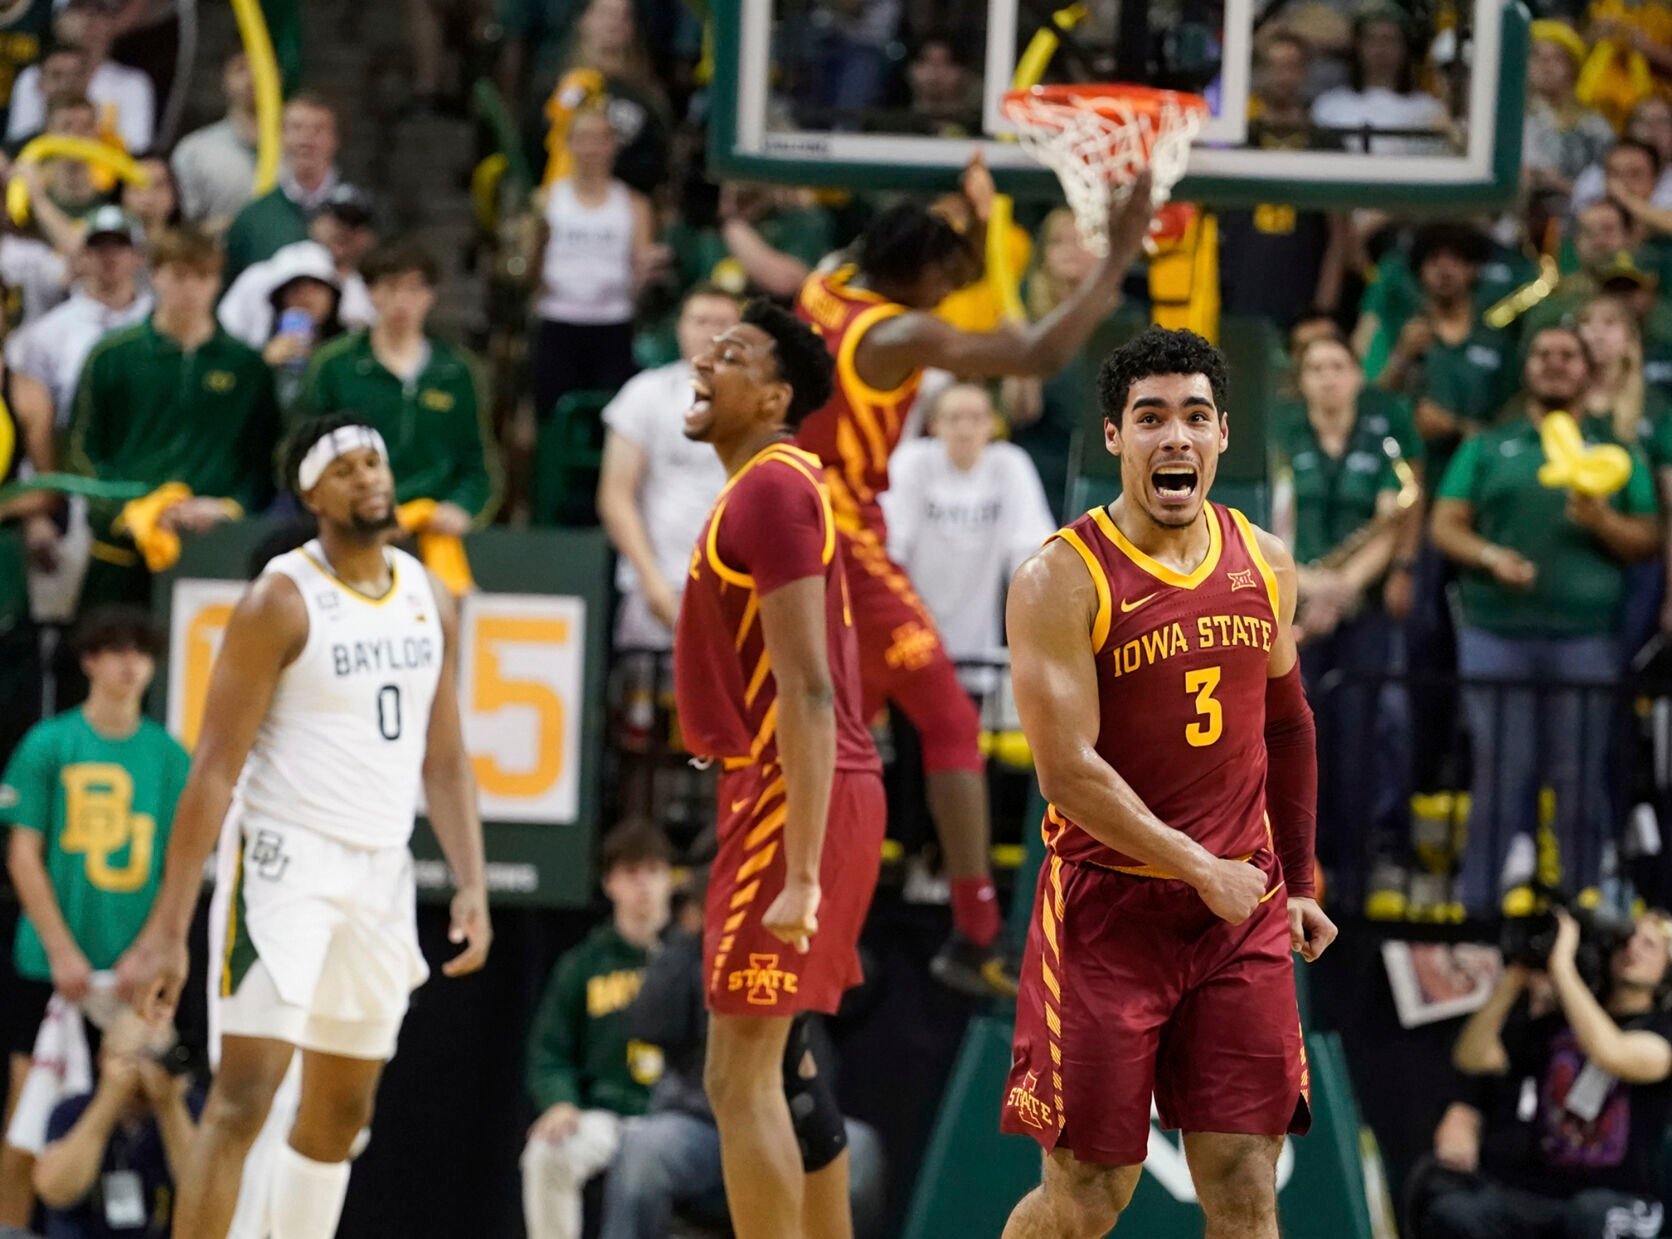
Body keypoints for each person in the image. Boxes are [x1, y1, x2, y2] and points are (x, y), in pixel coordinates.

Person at [111, 414, 493, 1239]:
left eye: (377, 461)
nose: (370, 476)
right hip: (285, 864)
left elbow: (448, 756)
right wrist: (171, 928)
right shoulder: (279, 598)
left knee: (340, 1111)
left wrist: (471, 879)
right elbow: (212, 770)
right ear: (313, 492)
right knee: (243, 1098)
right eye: (348, 466)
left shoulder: (429, 592)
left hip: (380, 871)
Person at [998, 326, 1336, 1238]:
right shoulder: (1059, 578)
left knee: (1245, 1186)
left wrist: (1296, 883)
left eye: (1194, 417)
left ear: (1224, 433)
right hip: (1110, 914)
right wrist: (1200, 866)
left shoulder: (1264, 559)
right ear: (1115, 437)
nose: (1174, 437)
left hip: (1239, 918)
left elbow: (1288, 724)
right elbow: (1068, 773)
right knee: (1088, 1195)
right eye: (1150, 418)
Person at [793, 166, 1156, 995]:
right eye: (946, 279)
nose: (952, 294)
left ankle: (831, 928)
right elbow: (1037, 350)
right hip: (842, 538)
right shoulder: (894, 336)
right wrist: (1118, 257)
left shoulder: (829, 282)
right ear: (918, 275)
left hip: (811, 532)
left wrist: (976, 216)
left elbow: (900, 247)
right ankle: (975, 931)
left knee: (850, 747)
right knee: (951, 723)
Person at [673, 298, 884, 1239]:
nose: (706, 362)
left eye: (732, 353)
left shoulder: (773, 487)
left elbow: (806, 692)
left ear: (774, 395)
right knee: (785, 1060)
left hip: (794, 790)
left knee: (737, 1071)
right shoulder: (769, 487)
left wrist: (798, 870)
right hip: (802, 784)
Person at [1430, 325, 1661, 914]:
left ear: (1587, 371)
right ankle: (1480, 911)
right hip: (1494, 634)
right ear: (1526, 369)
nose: (1555, 365)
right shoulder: (1489, 445)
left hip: (1587, 639)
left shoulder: (1617, 452)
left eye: (1568, 356)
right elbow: (1446, 523)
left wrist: (1603, 521)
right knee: (1502, 775)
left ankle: (1585, 910)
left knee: (1579, 775)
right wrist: (1491, 557)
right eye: (1544, 355)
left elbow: (1649, 540)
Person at [0, 608, 187, 1227]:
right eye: (116, 651)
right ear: (90, 661)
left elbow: (181, 865)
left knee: (150, 1096)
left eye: (142, 652)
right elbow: (23, 850)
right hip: (51, 964)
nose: (130, 664)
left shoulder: (168, 755)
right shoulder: (49, 743)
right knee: (28, 1106)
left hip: (134, 967)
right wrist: (58, 949)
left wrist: (155, 946)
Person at [599, 897, 885, 1239]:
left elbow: (861, 992)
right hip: (703, 1127)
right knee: (642, 1152)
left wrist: (821, 929)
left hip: (793, 1122)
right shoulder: (693, 950)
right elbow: (649, 1023)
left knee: (861, 1149)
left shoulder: (799, 937)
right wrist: (692, 937)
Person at [1409, 910, 1672, 1239]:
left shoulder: (1662, 1030)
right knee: (1455, 1213)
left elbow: (1612, 1052)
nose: (1632, 948)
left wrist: (1562, 968)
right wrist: (1513, 979)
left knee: (1590, 1216)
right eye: (1626, 940)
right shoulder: (1558, 1026)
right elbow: (1472, 1057)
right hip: (1540, 1193)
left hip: (1620, 1197)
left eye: (1650, 945)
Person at [66, 228, 280, 610]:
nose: (191, 290)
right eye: (180, 276)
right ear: (157, 274)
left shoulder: (247, 367)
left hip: (213, 544)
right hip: (121, 548)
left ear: (217, 282)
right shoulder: (112, 356)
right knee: (105, 660)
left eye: (203, 277)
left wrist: (229, 508)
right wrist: (125, 510)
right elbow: (82, 451)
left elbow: (263, 460)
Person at [1273, 335, 1413, 912]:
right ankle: (1296, 869)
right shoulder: (1284, 439)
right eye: (1316, 368)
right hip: (1296, 602)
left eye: (1338, 367)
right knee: (1300, 741)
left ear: (1358, 377)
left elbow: (1392, 521)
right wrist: (1308, 584)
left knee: (1361, 737)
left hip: (1360, 609)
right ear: (1302, 381)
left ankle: (1354, 877)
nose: (1328, 378)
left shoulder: (1383, 438)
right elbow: (1273, 523)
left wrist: (1346, 586)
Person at [520, 820, 673, 1239]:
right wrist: (559, 1102)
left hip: (676, 1118)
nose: (643, 886)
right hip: (605, 1117)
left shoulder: (692, 959)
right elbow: (549, 1053)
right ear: (609, 883)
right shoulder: (583, 965)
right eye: (631, 873)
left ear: (670, 881)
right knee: (545, 1154)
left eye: (654, 872)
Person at [294, 241, 503, 533]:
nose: (402, 301)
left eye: (414, 289)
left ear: (431, 295)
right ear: (371, 292)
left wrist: (462, 507)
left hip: (435, 529)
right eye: (391, 288)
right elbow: (302, 451)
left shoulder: (457, 371)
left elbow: (478, 462)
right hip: (353, 526)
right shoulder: (334, 365)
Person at [880, 382, 1056, 689]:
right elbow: (891, 548)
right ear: (934, 425)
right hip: (911, 638)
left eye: (975, 418)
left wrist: (1037, 634)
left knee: (967, 728)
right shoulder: (912, 462)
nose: (964, 429)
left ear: (991, 424)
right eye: (953, 418)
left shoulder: (1010, 465)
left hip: (977, 642)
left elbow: (1031, 555)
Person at [596, 284, 736, 653]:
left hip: (738, 587)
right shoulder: (645, 394)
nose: (710, 332)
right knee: (649, 703)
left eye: (723, 322)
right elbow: (615, 495)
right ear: (680, 327)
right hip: (661, 583)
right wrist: (650, 579)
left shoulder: (762, 403)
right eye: (700, 320)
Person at [531, 107, 661, 419]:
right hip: (557, 320)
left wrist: (648, 271)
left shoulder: (635, 204)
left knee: (611, 415)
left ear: (613, 145)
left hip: (613, 324)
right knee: (552, 414)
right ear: (569, 143)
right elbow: (530, 259)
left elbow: (641, 262)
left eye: (600, 139)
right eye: (582, 139)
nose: (591, 149)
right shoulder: (546, 200)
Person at [32, 1009, 201, 1239]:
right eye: (133, 1057)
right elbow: (55, 1190)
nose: (145, 1070)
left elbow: (205, 1193)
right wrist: (109, 1100)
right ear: (104, 1058)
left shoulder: (192, 1109)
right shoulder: (72, 1110)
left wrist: (169, 1107)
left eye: (156, 1058)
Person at [5, 206, 151, 426]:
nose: (109, 256)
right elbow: (35, 417)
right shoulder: (48, 332)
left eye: (120, 245)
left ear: (139, 255)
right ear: (82, 255)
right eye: (98, 246)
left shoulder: (160, 322)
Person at [221, 94, 343, 284]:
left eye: (318, 130)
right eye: (296, 128)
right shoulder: (253, 218)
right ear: (280, 136)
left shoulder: (362, 214)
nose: (306, 139)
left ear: (334, 139)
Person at [4, 0, 154, 152]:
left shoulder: (133, 83)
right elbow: (18, 146)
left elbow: (138, 152)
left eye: (101, 10)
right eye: (78, 7)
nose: (89, 18)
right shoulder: (33, 76)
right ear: (59, 18)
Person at [1309, 6, 1448, 156]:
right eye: (1372, 39)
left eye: (1389, 40)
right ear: (1358, 46)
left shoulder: (1428, 110)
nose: (1380, 49)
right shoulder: (1328, 106)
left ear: (1404, 48)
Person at [1522, 21, 1615, 203]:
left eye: (1557, 58)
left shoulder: (1594, 126)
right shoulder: (1509, 121)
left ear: (1573, 67)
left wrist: (1560, 184)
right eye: (1537, 56)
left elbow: (1609, 188)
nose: (1545, 65)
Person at [170, 51, 259, 234]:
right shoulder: (195, 150)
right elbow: (180, 229)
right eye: (241, 68)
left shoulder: (301, 147)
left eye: (263, 67)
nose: (253, 77)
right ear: (224, 79)